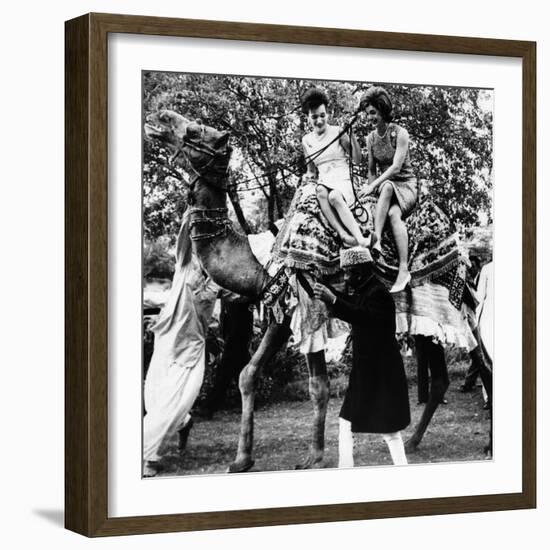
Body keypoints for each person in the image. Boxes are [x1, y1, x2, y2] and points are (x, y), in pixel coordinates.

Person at [313, 246, 410, 467]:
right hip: (368, 373)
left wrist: (334, 300)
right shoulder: (368, 290)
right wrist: (325, 289)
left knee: (389, 431)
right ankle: (345, 470)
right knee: (346, 422)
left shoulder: (379, 294)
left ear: (360, 272)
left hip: (381, 374)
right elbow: (352, 304)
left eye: (348, 273)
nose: (346, 277)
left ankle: (402, 471)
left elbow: (362, 315)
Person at [142, 212, 219, 477]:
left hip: (191, 347)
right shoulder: (186, 263)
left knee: (175, 400)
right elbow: (185, 236)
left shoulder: (217, 279)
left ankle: (147, 456)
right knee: (156, 397)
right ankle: (182, 423)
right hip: (168, 337)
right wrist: (192, 211)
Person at [361, 86, 418, 293]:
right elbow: (371, 170)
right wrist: (370, 191)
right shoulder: (371, 138)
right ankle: (401, 268)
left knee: (388, 195)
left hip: (405, 185)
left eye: (373, 113)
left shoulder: (400, 133)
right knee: (391, 212)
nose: (370, 118)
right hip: (385, 187)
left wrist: (374, 186)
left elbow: (395, 168)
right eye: (367, 114)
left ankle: (377, 240)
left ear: (383, 111)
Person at [301, 87, 370, 248]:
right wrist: (306, 179)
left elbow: (357, 160)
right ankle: (343, 235)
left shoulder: (338, 131)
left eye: (322, 115)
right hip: (324, 181)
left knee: (334, 196)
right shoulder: (306, 140)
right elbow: (311, 171)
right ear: (308, 118)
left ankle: (360, 239)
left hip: (344, 179)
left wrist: (351, 136)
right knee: (320, 191)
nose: (319, 121)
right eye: (314, 117)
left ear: (328, 114)